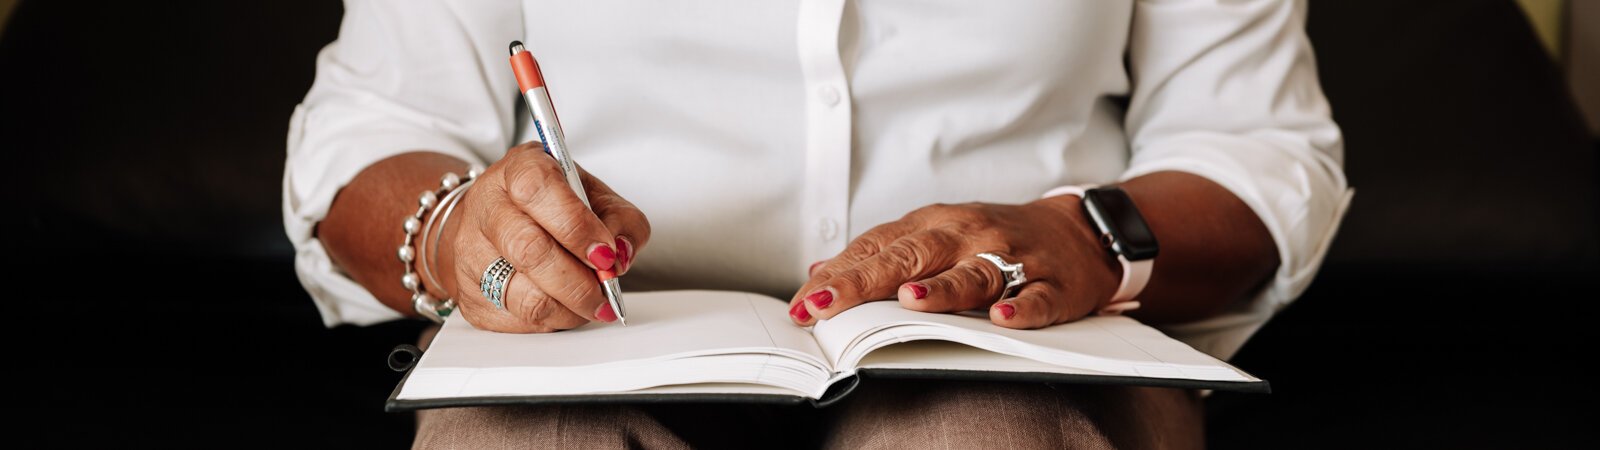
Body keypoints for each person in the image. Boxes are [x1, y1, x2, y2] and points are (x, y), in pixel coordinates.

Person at [284, 0, 1349, 447]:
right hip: (593, 344)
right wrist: (455, 230)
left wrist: (1091, 233)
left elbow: (1257, 145)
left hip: (1028, 349)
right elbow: (371, 131)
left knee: (979, 438)